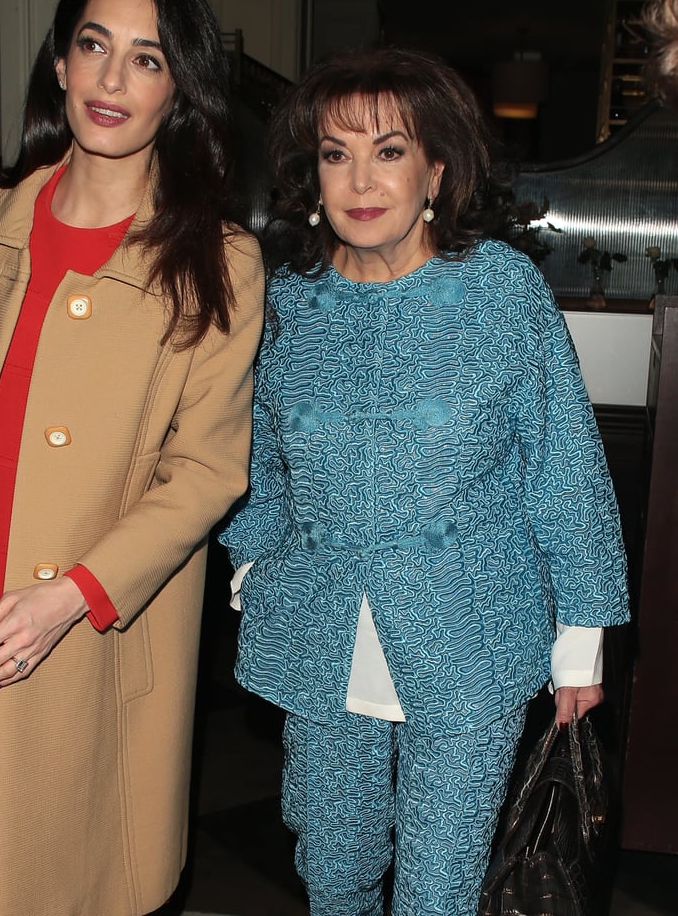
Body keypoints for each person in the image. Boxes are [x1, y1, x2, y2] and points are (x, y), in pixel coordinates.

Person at [219, 46, 629, 916]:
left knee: (439, 888)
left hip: (470, 629)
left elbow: (562, 461)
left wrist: (582, 631)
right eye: (337, 154)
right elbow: (252, 446)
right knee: (331, 869)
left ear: (436, 167)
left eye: (389, 151)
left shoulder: (498, 293)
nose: (361, 180)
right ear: (312, 175)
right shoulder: (286, 302)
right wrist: (252, 563)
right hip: (319, 628)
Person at [0, 0, 264, 916]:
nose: (112, 79)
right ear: (58, 64)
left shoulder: (218, 258)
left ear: (177, 90)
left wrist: (72, 596)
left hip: (89, 609)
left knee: (66, 875)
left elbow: (206, 468)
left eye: (147, 60)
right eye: (93, 46)